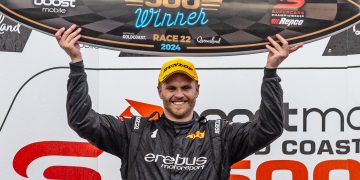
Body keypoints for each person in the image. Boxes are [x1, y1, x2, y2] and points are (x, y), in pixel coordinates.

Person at [55, 24, 303, 180]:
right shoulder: (133, 132)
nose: (179, 94)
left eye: (186, 87)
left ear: (197, 90)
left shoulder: (220, 135)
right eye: (171, 87)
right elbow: (82, 120)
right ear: (160, 91)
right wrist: (76, 63)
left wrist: (271, 71)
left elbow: (268, 127)